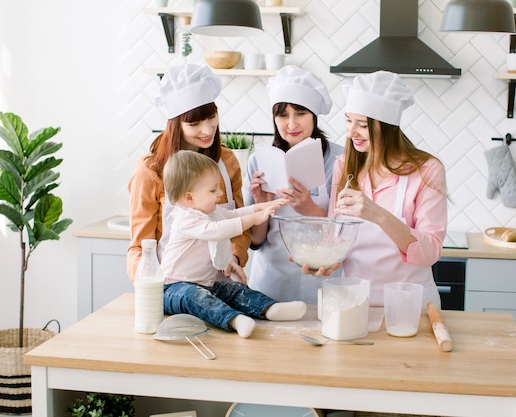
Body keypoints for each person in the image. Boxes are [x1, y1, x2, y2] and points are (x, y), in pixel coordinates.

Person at [325, 70, 448, 308]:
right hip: (354, 305)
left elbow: (430, 252)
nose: (350, 133)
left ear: (388, 126)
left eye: (362, 125)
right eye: (348, 120)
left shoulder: (427, 170)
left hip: (411, 307)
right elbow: (336, 237)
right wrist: (326, 261)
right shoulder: (344, 165)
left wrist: (378, 215)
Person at [161, 150, 306, 338]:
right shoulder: (185, 218)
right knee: (194, 296)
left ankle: (270, 309)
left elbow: (235, 214)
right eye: (213, 190)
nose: (220, 194)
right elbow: (217, 230)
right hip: (172, 289)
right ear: (189, 198)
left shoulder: (210, 211)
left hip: (206, 285)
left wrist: (263, 206)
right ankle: (233, 319)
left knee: (234, 290)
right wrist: (255, 219)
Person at [127, 64, 249, 283]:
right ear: (175, 125)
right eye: (194, 123)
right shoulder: (150, 171)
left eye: (211, 117)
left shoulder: (227, 161)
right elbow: (140, 246)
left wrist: (234, 257)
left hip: (223, 285)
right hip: (173, 288)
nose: (208, 129)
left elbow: (240, 226)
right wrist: (150, 286)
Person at [244, 65, 344, 303]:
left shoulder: (341, 160)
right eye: (282, 115)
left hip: (324, 282)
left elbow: (345, 232)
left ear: (314, 116)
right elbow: (255, 241)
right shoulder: (258, 161)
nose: (291, 124)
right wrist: (261, 206)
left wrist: (308, 206)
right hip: (270, 283)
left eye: (300, 113)